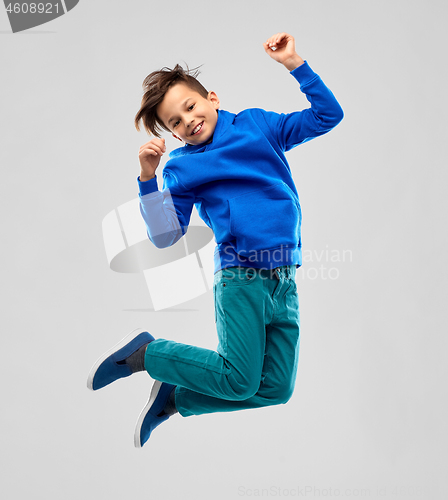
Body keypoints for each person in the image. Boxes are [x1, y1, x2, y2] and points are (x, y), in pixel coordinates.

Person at [87, 32, 343, 448]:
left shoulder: (260, 126)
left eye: (190, 107)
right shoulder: (182, 168)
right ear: (172, 134)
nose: (187, 121)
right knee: (238, 379)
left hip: (285, 281)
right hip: (241, 278)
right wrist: (148, 179)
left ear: (213, 98)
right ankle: (145, 353)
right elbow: (166, 236)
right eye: (175, 122)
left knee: (276, 389)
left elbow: (328, 115)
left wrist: (295, 64)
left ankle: (176, 397)